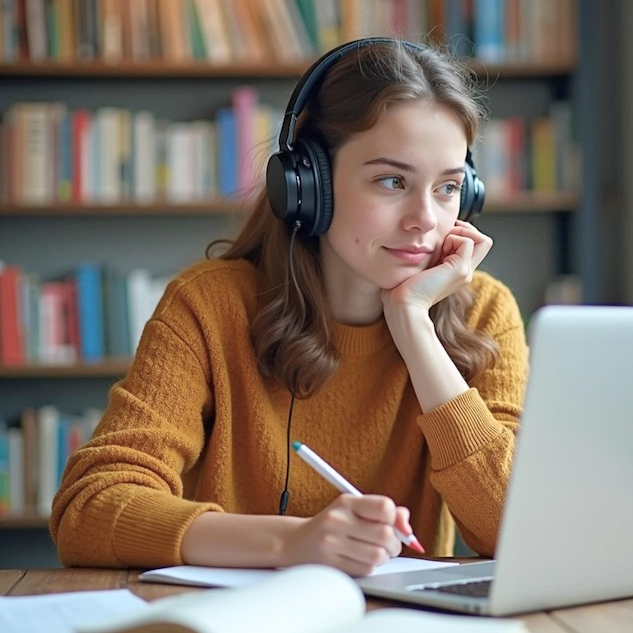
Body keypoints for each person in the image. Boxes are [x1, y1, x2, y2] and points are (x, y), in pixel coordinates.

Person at [50, 38, 530, 577]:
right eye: (392, 181)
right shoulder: (209, 306)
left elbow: (517, 532)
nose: (425, 219)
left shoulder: (485, 311)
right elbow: (89, 511)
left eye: (447, 188)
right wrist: (291, 543)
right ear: (308, 185)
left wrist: (414, 327)